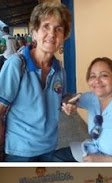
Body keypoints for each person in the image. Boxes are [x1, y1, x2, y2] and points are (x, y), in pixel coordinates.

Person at [0, 2, 72, 161]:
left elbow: (61, 98)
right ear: (34, 32)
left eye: (58, 29)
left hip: (49, 147)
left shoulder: (59, 70)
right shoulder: (16, 65)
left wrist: (69, 101)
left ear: (63, 37)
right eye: (46, 26)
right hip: (19, 151)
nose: (52, 34)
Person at [56, 57, 112, 162]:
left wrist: (105, 160)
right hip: (94, 151)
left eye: (104, 75)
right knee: (51, 158)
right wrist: (68, 103)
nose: (97, 81)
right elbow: (70, 97)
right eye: (92, 76)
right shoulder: (94, 98)